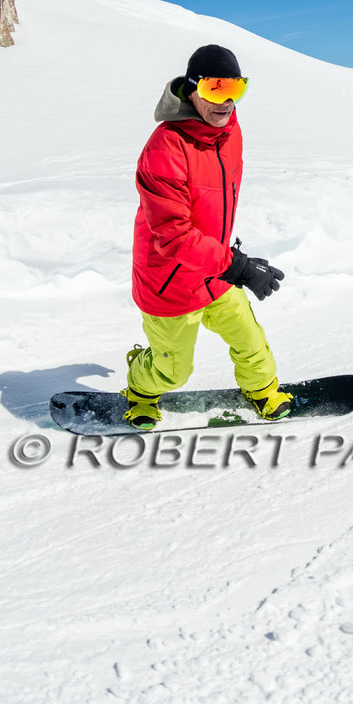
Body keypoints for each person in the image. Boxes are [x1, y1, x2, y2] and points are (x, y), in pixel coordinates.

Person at [121, 44, 288, 430]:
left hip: (214, 270)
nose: (226, 102)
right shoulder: (164, 149)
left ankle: (262, 389)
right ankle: (141, 390)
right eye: (215, 89)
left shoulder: (230, 133)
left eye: (236, 89)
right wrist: (238, 267)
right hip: (169, 281)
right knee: (172, 372)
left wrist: (228, 263)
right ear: (192, 89)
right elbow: (174, 236)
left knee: (250, 339)